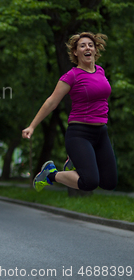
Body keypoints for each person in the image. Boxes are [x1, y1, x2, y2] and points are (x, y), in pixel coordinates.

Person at [22, 32, 117, 193]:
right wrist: (32, 126)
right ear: (75, 52)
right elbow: (51, 101)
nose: (87, 48)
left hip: (101, 132)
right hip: (80, 133)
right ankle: (51, 174)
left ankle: (75, 160)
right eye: (82, 45)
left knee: (109, 182)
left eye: (90, 45)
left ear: (95, 50)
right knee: (90, 182)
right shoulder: (72, 76)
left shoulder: (100, 71)